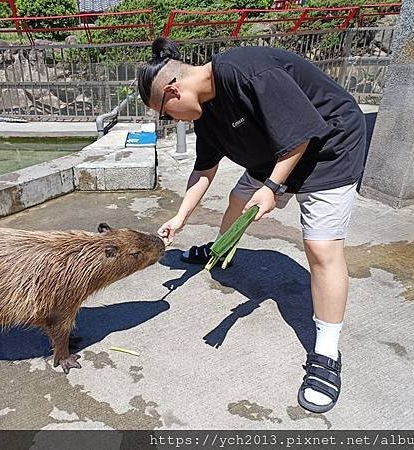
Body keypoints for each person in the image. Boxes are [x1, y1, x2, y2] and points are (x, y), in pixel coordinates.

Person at [137, 37, 367, 414]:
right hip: (274, 156)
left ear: (173, 91)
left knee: (322, 249)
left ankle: (326, 353)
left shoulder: (246, 69)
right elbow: (204, 169)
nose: (169, 122)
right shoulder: (205, 114)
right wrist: (179, 219)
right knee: (237, 198)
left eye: (164, 115)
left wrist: (273, 188)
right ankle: (220, 247)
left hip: (329, 148)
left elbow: (301, 132)